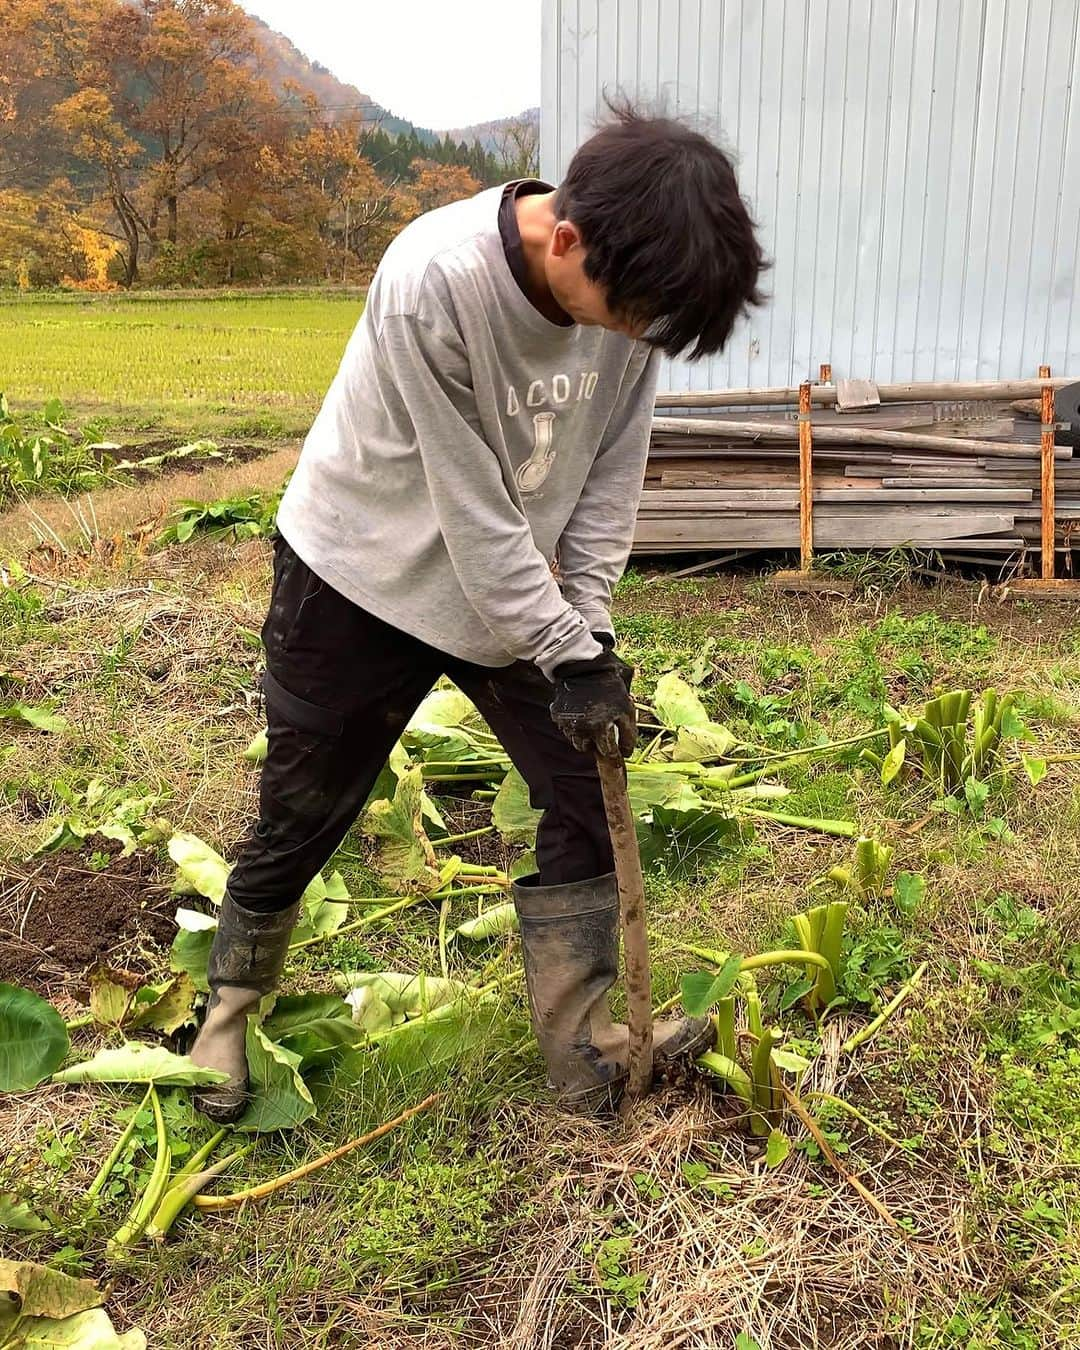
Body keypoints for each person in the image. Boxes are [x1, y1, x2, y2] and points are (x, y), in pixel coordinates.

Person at [190, 102, 766, 1122]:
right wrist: (558, 640)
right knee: (305, 806)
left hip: (516, 577)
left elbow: (604, 484)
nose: (632, 339)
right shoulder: (434, 281)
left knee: (588, 786)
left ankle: (585, 1047)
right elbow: (470, 509)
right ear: (568, 237)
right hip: (358, 578)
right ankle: (225, 1019)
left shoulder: (633, 305)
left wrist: (586, 634)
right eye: (623, 315)